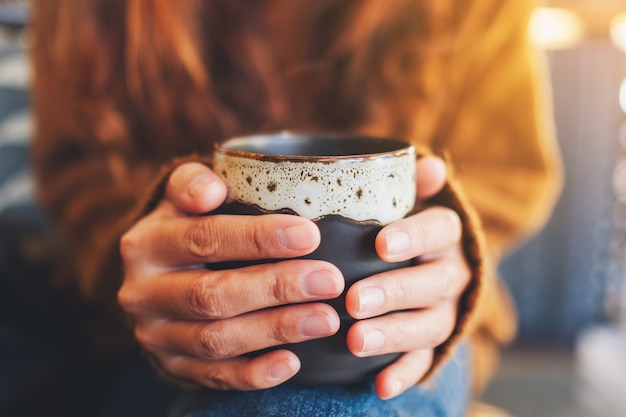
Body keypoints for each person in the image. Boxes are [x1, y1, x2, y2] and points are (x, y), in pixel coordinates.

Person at [29, 0, 562, 416]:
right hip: (151, 340)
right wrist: (148, 269)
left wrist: (453, 254)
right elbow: (79, 174)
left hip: (420, 333)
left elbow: (506, 178)